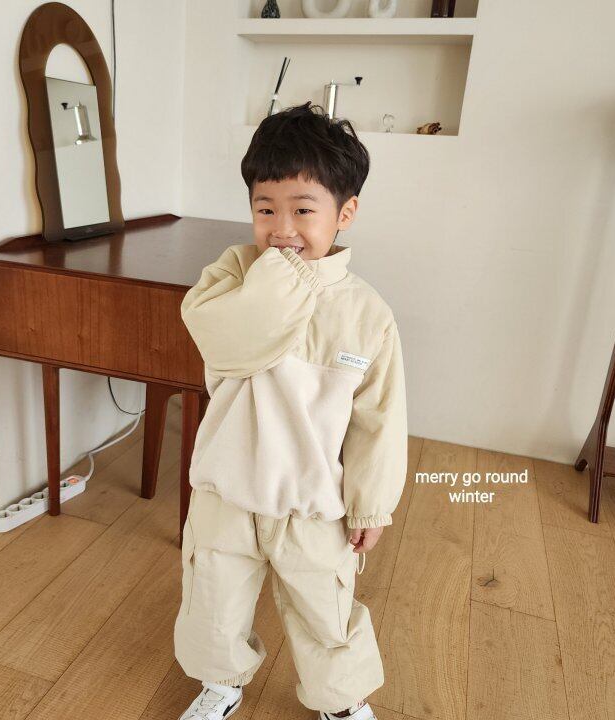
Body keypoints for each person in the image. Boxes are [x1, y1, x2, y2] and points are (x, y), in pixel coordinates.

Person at [173, 101, 408, 720]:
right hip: (227, 488)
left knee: (325, 610)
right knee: (212, 601)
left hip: (313, 500)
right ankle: (221, 683)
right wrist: (286, 276)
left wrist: (371, 504)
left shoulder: (367, 314)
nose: (282, 229)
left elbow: (379, 422)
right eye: (265, 209)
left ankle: (340, 700)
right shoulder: (231, 277)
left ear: (344, 213)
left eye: (303, 210)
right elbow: (224, 340)